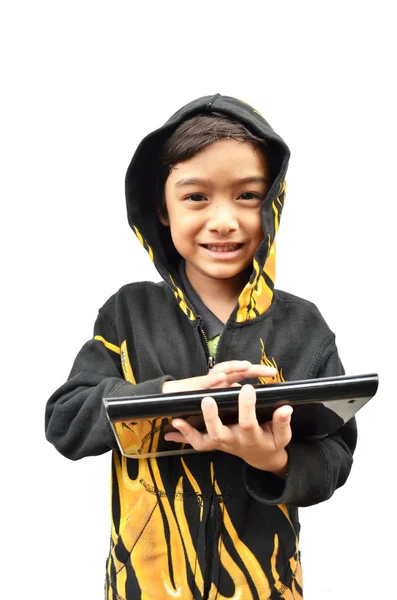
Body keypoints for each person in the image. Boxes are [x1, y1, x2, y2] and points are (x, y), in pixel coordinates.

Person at [45, 94, 356, 599]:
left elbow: (335, 459)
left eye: (248, 196)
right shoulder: (127, 314)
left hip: (264, 585)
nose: (224, 220)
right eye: (196, 197)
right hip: (144, 583)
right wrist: (172, 393)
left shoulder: (304, 325)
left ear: (273, 202)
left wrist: (273, 461)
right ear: (161, 209)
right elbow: (65, 420)